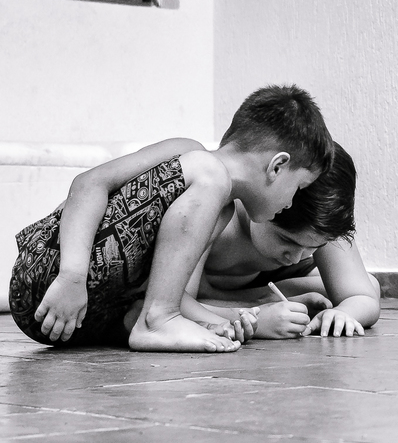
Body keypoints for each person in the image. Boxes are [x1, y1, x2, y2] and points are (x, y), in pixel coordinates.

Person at [7, 85, 335, 353]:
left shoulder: (218, 210)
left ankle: (154, 320)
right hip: (51, 277)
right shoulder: (198, 163)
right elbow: (89, 183)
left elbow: (175, 292)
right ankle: (158, 321)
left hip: (79, 321)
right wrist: (72, 277)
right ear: (277, 166)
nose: (292, 201)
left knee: (150, 308)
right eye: (298, 187)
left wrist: (225, 322)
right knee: (210, 174)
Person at [196, 141, 381, 338]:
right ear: (269, 201)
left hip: (264, 282)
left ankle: (269, 297)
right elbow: (171, 303)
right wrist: (253, 316)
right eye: (287, 240)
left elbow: (362, 296)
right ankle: (266, 299)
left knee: (369, 284)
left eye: (314, 247)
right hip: (198, 289)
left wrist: (341, 314)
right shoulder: (214, 208)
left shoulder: (321, 220)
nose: (296, 258)